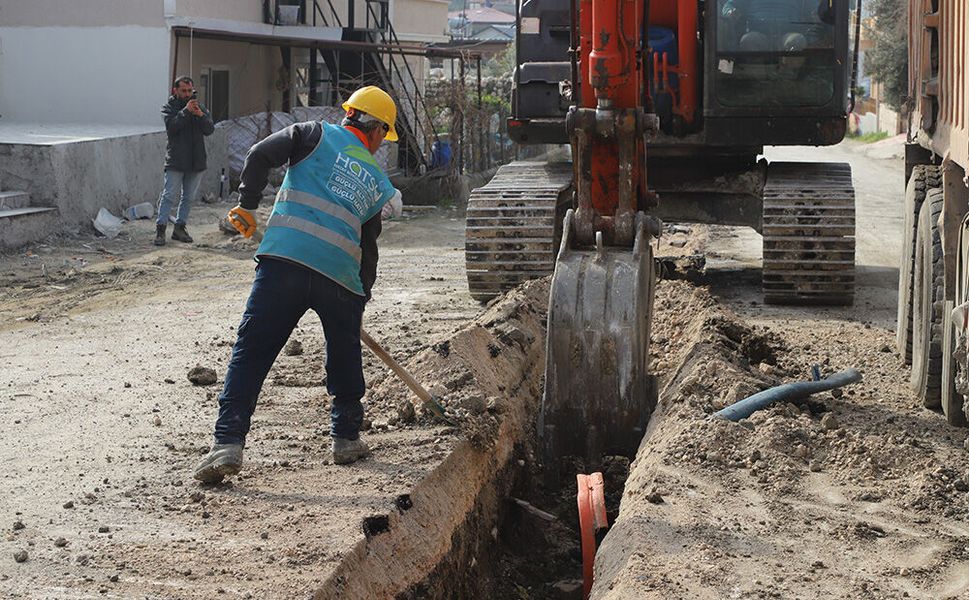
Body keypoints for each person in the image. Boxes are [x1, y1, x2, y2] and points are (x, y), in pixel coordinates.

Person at [193, 86, 404, 483]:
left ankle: (227, 443)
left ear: (350, 115)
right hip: (339, 277)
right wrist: (359, 298)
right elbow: (368, 245)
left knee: (251, 352)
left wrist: (248, 205)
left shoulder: (313, 134)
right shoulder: (377, 180)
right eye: (383, 138)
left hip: (283, 264)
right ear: (377, 132)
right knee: (344, 355)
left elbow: (258, 155)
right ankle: (345, 437)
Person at [156, 76, 215, 246]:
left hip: (196, 160)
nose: (187, 94)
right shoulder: (169, 108)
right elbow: (172, 127)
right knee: (168, 195)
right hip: (176, 159)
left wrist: (200, 115)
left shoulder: (199, 107)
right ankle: (160, 229)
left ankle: (180, 228)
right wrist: (185, 112)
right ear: (176, 91)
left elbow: (209, 129)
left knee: (188, 197)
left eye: (189, 91)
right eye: (184, 91)